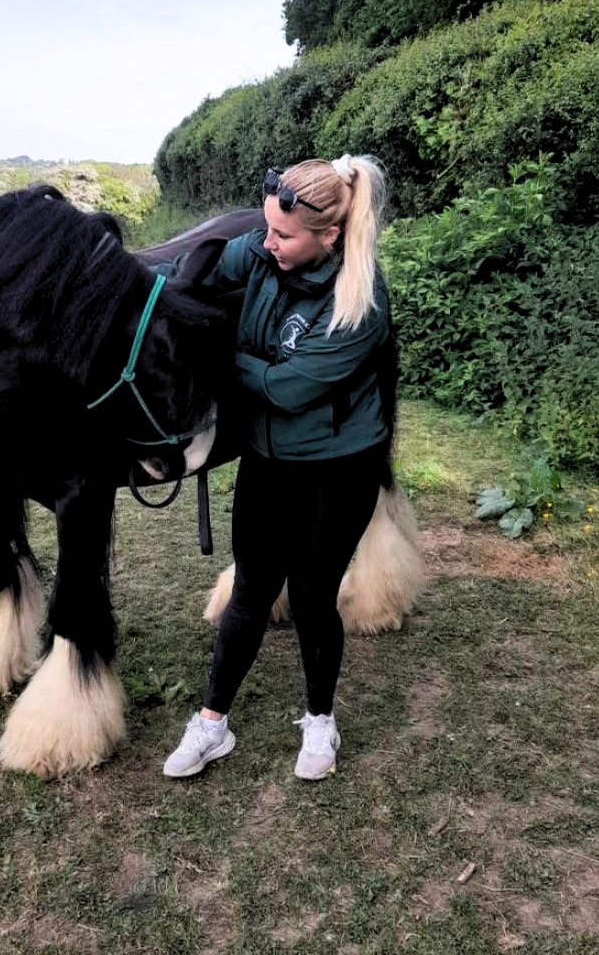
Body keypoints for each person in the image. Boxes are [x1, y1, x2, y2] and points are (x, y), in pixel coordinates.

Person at [162, 155, 393, 780]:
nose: (267, 243)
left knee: (315, 599)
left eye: (283, 235)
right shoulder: (266, 252)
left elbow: (287, 389)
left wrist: (223, 357)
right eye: (266, 229)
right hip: (267, 462)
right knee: (249, 593)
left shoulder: (361, 303)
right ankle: (212, 724)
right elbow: (206, 264)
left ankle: (320, 722)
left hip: (338, 470)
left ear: (331, 236)